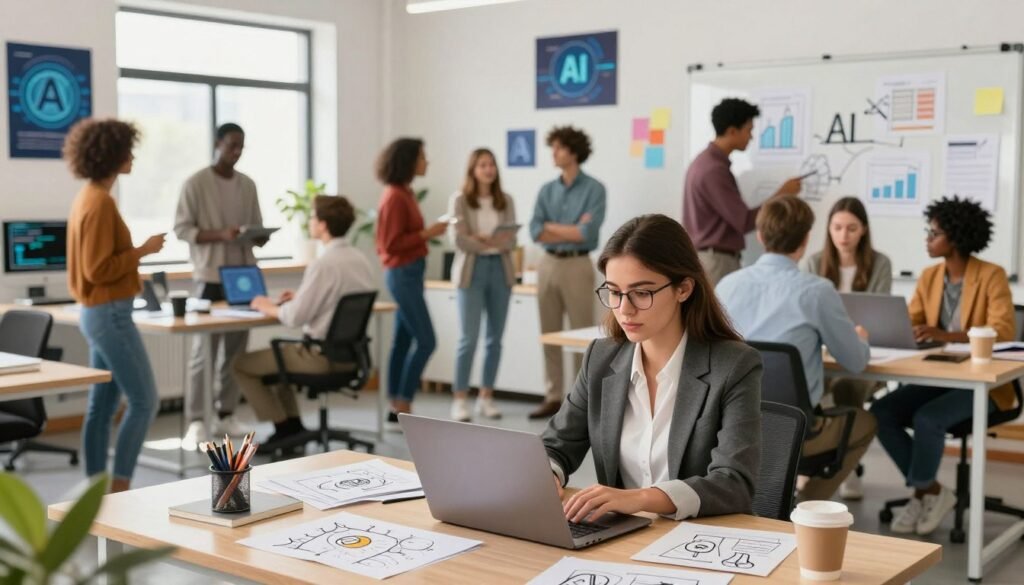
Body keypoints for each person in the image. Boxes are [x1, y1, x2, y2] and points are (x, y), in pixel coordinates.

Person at [542, 214, 761, 521]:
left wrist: (641, 499)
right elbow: (555, 445)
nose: (624, 309)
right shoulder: (600, 359)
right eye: (614, 292)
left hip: (698, 540)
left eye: (642, 293)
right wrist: (548, 475)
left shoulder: (734, 365)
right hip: (621, 539)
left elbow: (733, 483)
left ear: (683, 289)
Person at [871, 196, 1015, 536]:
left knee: (928, 419)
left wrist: (946, 334)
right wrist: (903, 329)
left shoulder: (991, 276)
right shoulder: (930, 276)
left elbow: (1004, 330)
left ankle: (922, 493)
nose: (927, 238)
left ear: (956, 236)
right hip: (938, 374)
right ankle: (932, 491)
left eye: (933, 232)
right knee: (880, 412)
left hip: (986, 383)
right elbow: (911, 319)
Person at [716, 197, 875, 501]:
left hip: (729, 430)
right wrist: (862, 339)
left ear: (760, 236)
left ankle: (775, 503)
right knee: (865, 423)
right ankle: (806, 508)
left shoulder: (726, 285)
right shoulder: (815, 291)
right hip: (794, 434)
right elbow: (854, 362)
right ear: (805, 240)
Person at [64, 118, 165, 492]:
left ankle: (95, 489)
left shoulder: (88, 196)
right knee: (144, 401)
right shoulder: (101, 203)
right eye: (128, 149)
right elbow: (98, 269)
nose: (133, 156)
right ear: (113, 155)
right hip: (110, 314)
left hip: (98, 313)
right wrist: (144, 251)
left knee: (102, 407)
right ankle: (120, 488)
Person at [232, 195, 375, 448]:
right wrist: (299, 297)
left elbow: (294, 317)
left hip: (319, 358)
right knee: (276, 360)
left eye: (312, 217)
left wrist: (265, 305)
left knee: (242, 364)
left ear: (322, 225)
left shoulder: (323, 264)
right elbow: (339, 299)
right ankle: (292, 428)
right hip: (351, 356)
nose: (310, 221)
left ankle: (283, 428)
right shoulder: (359, 259)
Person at [174, 123, 267, 447]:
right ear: (217, 143)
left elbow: (254, 226)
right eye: (232, 145)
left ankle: (225, 412)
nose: (237, 151)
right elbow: (182, 229)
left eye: (241, 146)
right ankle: (198, 420)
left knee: (236, 351)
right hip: (210, 277)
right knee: (203, 352)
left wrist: (259, 235)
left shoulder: (248, 185)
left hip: (242, 277)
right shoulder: (196, 183)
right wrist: (220, 234)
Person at [802, 196, 892, 500]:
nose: (844, 235)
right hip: (822, 353)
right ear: (828, 229)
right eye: (837, 227)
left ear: (864, 230)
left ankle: (847, 465)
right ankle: (820, 461)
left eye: (852, 228)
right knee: (809, 383)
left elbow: (879, 318)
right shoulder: (814, 262)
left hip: (862, 354)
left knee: (849, 386)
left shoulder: (880, 263)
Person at [528, 125, 606, 419]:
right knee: (548, 333)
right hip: (547, 264)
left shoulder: (594, 189)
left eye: (558, 148)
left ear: (573, 151)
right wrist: (567, 230)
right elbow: (535, 229)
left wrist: (553, 227)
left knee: (581, 333)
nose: (554, 153)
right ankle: (552, 396)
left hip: (578, 264)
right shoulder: (547, 190)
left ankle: (580, 400)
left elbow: (587, 233)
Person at [683, 98, 803, 286]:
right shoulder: (714, 170)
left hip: (712, 258)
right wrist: (782, 194)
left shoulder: (704, 163)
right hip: (717, 261)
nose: (752, 137)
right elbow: (744, 221)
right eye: (749, 130)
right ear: (732, 131)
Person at [375, 138, 447, 424]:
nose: (426, 162)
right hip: (403, 273)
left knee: (402, 341)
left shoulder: (404, 193)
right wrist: (428, 233)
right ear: (408, 161)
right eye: (422, 157)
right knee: (427, 340)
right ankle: (402, 402)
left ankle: (396, 404)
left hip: (409, 273)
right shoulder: (395, 196)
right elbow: (390, 244)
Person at [447, 148, 517, 421]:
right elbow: (459, 240)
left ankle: (486, 396)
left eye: (491, 165)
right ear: (473, 170)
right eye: (482, 165)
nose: (488, 169)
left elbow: (511, 239)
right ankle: (460, 398)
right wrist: (489, 241)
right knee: (468, 338)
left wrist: (481, 238)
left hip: (501, 270)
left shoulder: (506, 200)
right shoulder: (460, 200)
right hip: (471, 272)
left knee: (495, 339)